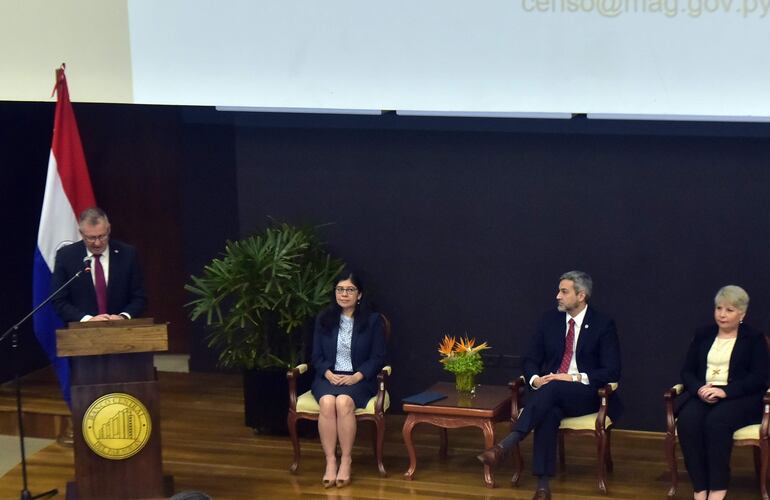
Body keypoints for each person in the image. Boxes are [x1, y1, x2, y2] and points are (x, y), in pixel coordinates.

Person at [477, 270, 621, 500]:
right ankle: (543, 486)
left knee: (552, 388)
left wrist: (571, 377)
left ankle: (508, 443)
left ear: (581, 295)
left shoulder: (602, 324)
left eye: (564, 292)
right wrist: (535, 379)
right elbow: (530, 359)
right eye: (559, 291)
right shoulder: (549, 321)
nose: (558, 296)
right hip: (549, 392)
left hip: (584, 393)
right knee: (549, 411)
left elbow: (611, 370)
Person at [676, 285, 768, 500]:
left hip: (740, 397)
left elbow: (758, 378)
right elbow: (687, 371)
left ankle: (718, 487)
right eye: (719, 308)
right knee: (688, 421)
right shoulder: (703, 334)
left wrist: (725, 392)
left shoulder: (754, 338)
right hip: (704, 393)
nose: (722, 314)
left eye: (729, 310)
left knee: (716, 423)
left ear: (742, 314)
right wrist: (699, 388)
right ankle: (700, 486)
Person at [310, 271, 386, 488]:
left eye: (350, 290)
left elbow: (378, 357)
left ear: (359, 294)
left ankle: (346, 459)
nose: (344, 294)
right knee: (327, 402)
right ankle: (330, 461)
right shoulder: (324, 318)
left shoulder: (372, 321)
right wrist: (327, 372)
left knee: (343, 402)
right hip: (328, 376)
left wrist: (357, 376)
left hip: (360, 379)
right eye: (340, 289)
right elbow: (316, 355)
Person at [51, 207, 147, 323]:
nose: (97, 243)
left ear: (109, 229)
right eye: (91, 238)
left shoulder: (128, 254)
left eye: (102, 236)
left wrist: (123, 317)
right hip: (81, 333)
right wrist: (88, 320)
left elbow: (139, 297)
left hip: (123, 329)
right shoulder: (66, 256)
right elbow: (59, 300)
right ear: (81, 233)